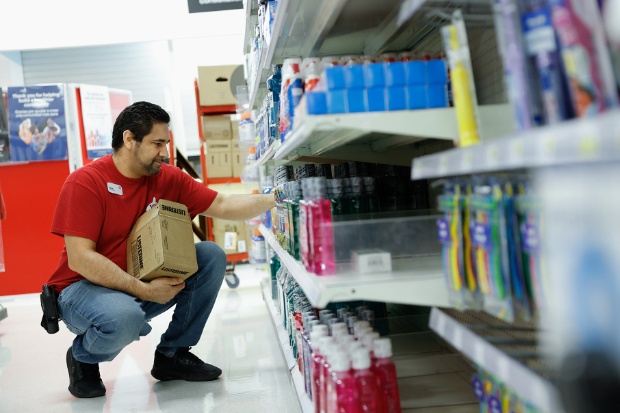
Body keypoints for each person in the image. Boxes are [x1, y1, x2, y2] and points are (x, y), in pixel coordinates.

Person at [45, 101, 275, 398]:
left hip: (134, 280)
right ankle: (82, 356)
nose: (165, 152)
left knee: (209, 256)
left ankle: (172, 355)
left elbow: (222, 204)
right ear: (129, 140)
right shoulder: (86, 182)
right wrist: (144, 291)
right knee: (123, 317)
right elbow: (81, 258)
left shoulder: (167, 176)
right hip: (81, 288)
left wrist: (277, 198)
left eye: (166, 143)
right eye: (157, 143)